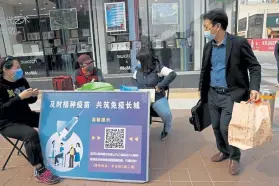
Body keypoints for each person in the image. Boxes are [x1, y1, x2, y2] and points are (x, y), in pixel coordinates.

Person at [199, 9, 261, 175]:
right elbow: (205, 70)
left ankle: (235, 156)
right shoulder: (208, 46)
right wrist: (202, 94)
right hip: (212, 93)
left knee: (228, 127)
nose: (205, 30)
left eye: (207, 26)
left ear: (217, 26)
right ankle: (223, 151)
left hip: (232, 93)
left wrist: (254, 87)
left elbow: (254, 66)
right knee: (216, 126)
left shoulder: (238, 43)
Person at [0, 56, 60, 184]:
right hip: (7, 123)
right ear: (6, 69)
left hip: (25, 115)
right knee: (31, 134)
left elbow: (30, 101)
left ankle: (54, 151)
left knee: (52, 120)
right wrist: (19, 97)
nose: (20, 70)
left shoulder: (21, 80)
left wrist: (33, 95)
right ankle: (40, 171)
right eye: (17, 67)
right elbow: (2, 109)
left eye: (19, 67)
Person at [133, 48, 177, 140]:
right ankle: (144, 133)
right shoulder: (138, 69)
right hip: (142, 99)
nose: (138, 62)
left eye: (140, 60)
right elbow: (133, 81)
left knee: (166, 115)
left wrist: (160, 85)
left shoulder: (158, 68)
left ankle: (166, 129)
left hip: (157, 97)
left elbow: (172, 74)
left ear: (146, 61)